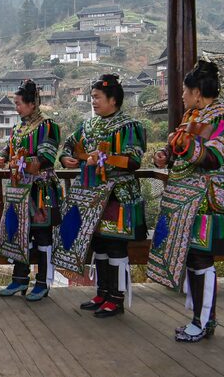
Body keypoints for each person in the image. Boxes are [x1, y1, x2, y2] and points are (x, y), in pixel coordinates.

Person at [151, 60, 224, 342]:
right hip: (183, 199)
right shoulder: (191, 117)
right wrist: (165, 156)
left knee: (202, 258)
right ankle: (200, 318)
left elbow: (214, 157)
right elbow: (179, 152)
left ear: (197, 93)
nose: (182, 95)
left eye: (184, 91)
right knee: (192, 257)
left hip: (205, 201)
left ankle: (202, 322)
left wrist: (186, 146)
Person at [58, 74, 147, 318]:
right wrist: (65, 158)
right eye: (92, 97)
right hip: (91, 196)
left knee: (115, 245)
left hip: (118, 196)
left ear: (113, 100)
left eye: (97, 97)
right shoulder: (88, 125)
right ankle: (102, 292)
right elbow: (69, 145)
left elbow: (134, 161)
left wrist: (104, 158)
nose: (93, 102)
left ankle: (116, 299)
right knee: (99, 244)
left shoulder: (129, 126)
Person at [0, 80, 62, 301]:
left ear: (32, 104)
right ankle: (19, 279)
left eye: (19, 104)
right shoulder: (18, 128)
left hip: (41, 190)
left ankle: (43, 282)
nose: (16, 108)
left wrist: (22, 162)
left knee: (42, 235)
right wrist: (1, 157)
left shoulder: (47, 126)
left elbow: (47, 158)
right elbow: (8, 149)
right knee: (19, 233)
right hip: (19, 189)